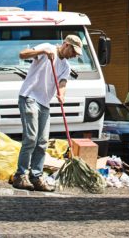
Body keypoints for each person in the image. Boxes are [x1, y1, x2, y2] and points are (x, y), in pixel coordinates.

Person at [11, 34, 83, 191]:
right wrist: (42, 52)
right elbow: (22, 54)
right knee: (31, 138)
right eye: (73, 52)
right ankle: (20, 175)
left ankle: (36, 177)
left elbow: (63, 82)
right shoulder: (48, 47)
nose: (73, 56)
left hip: (44, 103)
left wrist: (61, 94)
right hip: (29, 97)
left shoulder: (66, 66)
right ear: (66, 45)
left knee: (42, 141)